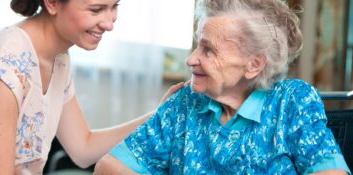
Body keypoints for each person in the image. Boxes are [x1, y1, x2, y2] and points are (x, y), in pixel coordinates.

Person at [0, 0, 184, 174]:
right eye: (96, 9)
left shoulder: (57, 57)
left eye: (114, 6)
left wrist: (159, 116)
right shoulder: (5, 68)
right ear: (51, 2)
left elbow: (83, 149)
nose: (109, 22)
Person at [94, 0, 352, 174]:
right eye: (198, 44)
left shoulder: (293, 101)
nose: (191, 59)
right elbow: (107, 167)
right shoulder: (185, 102)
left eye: (208, 50)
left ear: (253, 64)